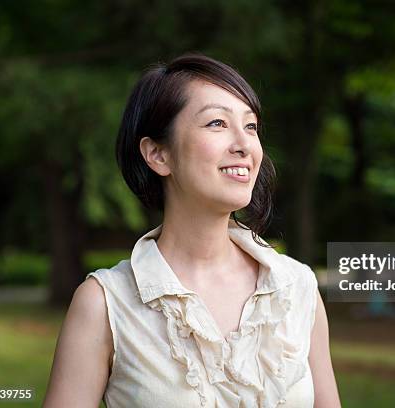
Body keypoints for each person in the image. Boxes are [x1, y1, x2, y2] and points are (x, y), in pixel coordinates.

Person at [43, 52, 341, 408]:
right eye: (217, 123)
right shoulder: (105, 304)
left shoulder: (297, 289)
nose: (244, 145)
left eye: (251, 126)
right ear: (158, 154)